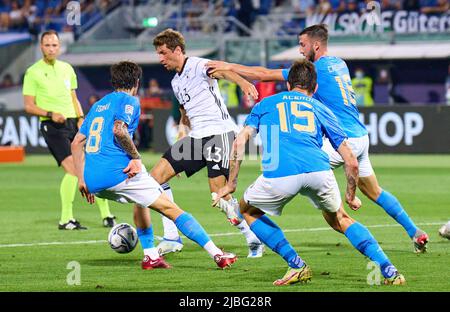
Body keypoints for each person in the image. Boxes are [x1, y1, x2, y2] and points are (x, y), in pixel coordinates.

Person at [206, 24, 429, 253]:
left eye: (302, 45)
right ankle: (415, 232)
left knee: (306, 177)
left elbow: (264, 74)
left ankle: (359, 242)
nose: (300, 51)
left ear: (315, 44)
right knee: (374, 191)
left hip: (342, 140)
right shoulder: (339, 64)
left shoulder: (316, 70)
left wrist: (227, 66)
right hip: (360, 137)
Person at [213, 60, 406, 286]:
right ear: (314, 89)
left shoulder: (265, 104)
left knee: (247, 210)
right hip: (319, 171)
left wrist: (231, 184)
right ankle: (389, 270)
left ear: (287, 84)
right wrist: (351, 195)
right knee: (341, 219)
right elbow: (351, 161)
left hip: (279, 175)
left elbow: (238, 143)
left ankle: (296, 265)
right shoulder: (322, 109)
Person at [71, 61, 237, 270]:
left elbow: (77, 142)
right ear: (137, 82)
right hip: (119, 174)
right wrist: (136, 157)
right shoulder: (129, 100)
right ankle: (218, 255)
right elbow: (119, 130)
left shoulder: (98, 105)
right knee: (172, 209)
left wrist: (81, 179)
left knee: (141, 201)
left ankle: (150, 255)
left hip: (93, 181)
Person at [150, 28, 265, 258]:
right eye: (158, 54)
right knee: (154, 180)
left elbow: (224, 70)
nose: (160, 58)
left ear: (177, 50)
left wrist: (243, 83)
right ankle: (172, 237)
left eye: (163, 53)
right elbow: (185, 115)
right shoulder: (175, 82)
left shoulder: (198, 65)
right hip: (195, 137)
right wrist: (181, 143)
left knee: (218, 195)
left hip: (219, 134)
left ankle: (252, 236)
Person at [23, 30, 115, 230]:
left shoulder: (67, 69)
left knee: (89, 168)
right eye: (47, 45)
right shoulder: (33, 72)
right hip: (52, 126)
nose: (51, 48)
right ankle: (65, 219)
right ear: (41, 47)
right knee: (74, 171)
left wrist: (82, 118)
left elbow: (74, 98)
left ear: (59, 46)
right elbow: (29, 105)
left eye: (54, 45)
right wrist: (50, 113)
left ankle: (107, 216)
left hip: (73, 122)